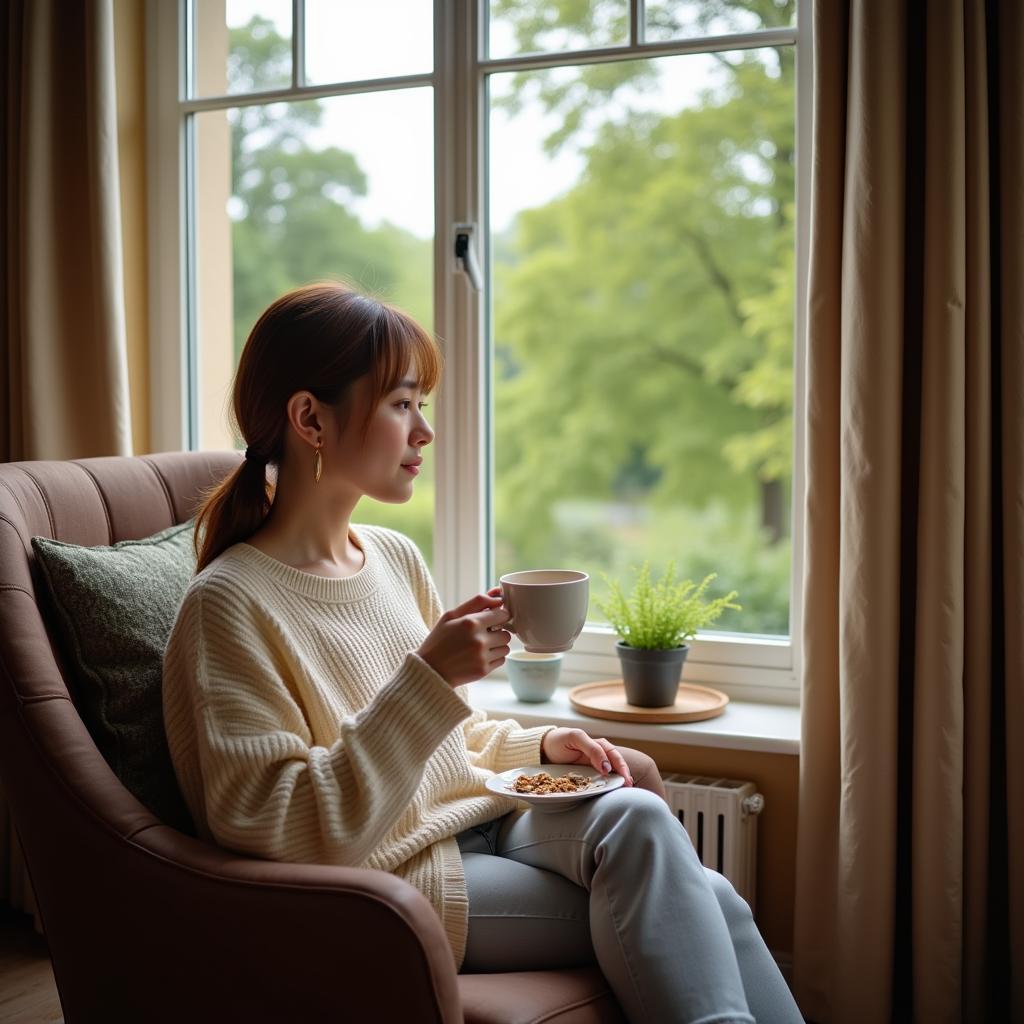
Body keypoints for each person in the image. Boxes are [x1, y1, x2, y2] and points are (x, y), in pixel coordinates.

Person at [162, 282, 804, 1024]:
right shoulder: (228, 607)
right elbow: (281, 828)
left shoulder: (394, 558)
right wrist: (428, 677)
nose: (424, 433)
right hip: (399, 878)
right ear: (310, 418)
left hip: (488, 821)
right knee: (707, 897)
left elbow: (452, 739)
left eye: (421, 405)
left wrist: (540, 742)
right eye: (401, 404)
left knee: (641, 821)